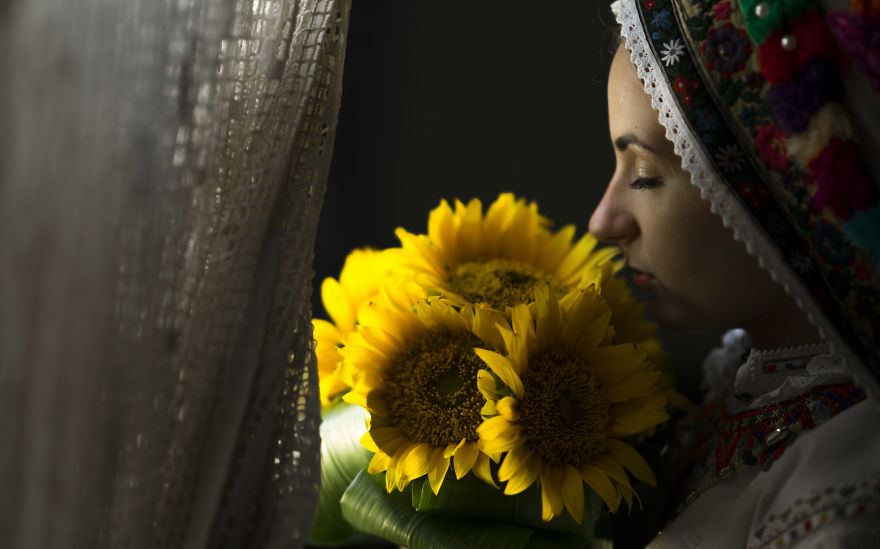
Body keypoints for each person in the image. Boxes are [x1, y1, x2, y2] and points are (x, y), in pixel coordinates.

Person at [589, 0, 880, 547]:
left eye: (646, 174)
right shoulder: (734, 399)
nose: (604, 221)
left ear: (784, 188)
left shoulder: (849, 478)